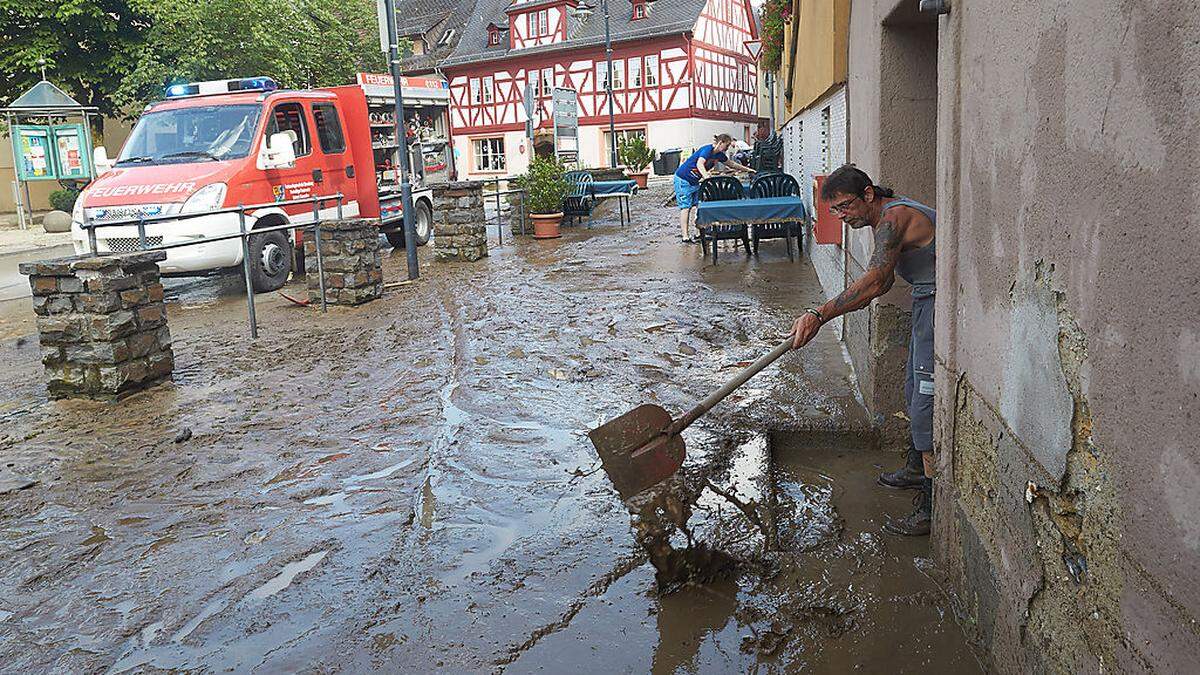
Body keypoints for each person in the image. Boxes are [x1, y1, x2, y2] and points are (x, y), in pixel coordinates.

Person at [788, 164, 937, 536]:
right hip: (925, 300)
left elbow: (874, 282)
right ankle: (916, 467)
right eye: (834, 211)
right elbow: (881, 284)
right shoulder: (883, 217)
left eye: (844, 207)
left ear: (868, 195)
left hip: (941, 301)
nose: (841, 217)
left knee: (925, 399)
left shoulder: (893, 217)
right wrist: (823, 315)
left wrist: (818, 313)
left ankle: (930, 508)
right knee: (911, 388)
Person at [673, 134, 754, 242]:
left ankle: (699, 233)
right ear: (720, 142)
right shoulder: (707, 150)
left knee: (699, 205)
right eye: (727, 145)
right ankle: (685, 236)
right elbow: (700, 164)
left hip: (695, 181)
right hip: (683, 178)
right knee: (686, 207)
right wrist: (707, 177)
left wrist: (748, 169)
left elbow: (731, 164)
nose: (727, 148)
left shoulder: (719, 155)